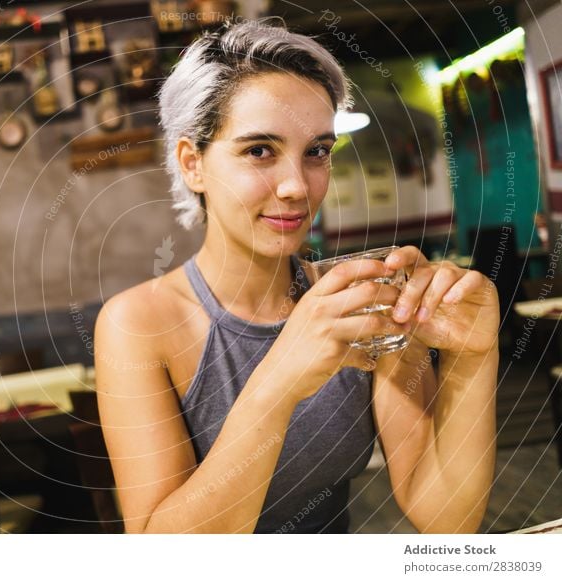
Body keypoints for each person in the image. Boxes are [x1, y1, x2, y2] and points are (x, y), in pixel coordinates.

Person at [93, 18, 499, 534]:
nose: (296, 187)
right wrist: (280, 381)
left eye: (317, 152)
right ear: (193, 163)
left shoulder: (362, 302)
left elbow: (447, 518)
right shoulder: (137, 324)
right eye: (259, 150)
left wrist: (473, 358)